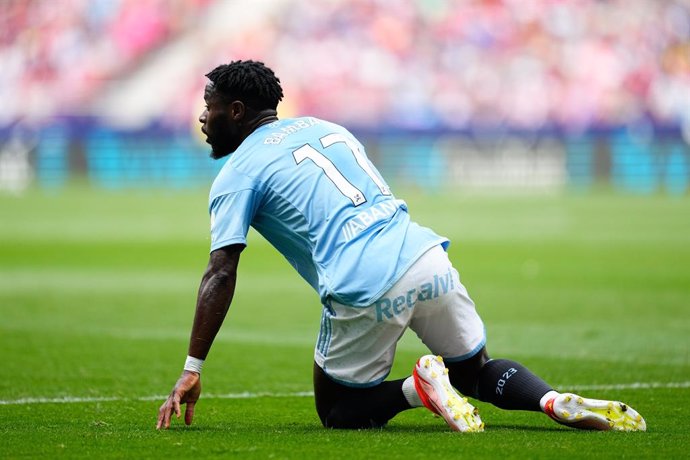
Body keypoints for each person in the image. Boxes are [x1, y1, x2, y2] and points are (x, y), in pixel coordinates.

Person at [156, 60, 646, 432]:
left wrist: (191, 368)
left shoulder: (237, 173)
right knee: (475, 372)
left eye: (209, 105)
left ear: (236, 111)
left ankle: (418, 388)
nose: (203, 117)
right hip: (424, 254)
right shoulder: (327, 128)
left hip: (363, 283)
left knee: (339, 410)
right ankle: (552, 401)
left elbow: (220, 272)